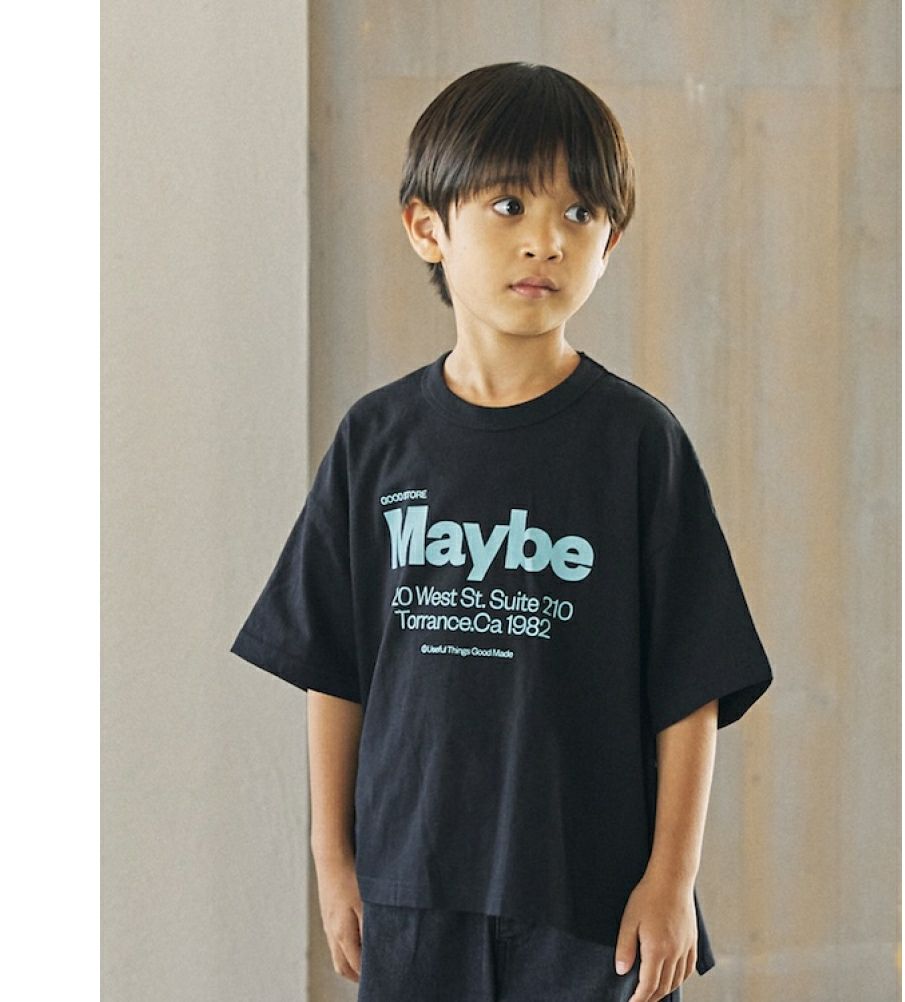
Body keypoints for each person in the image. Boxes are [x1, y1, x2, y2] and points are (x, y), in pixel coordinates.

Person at [230, 61, 774, 1002]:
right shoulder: (376, 439)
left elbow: (691, 684)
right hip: (413, 888)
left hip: (589, 902)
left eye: (579, 214)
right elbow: (335, 663)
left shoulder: (638, 445)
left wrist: (670, 880)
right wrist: (334, 859)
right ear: (426, 227)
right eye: (511, 205)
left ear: (610, 242)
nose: (545, 241)